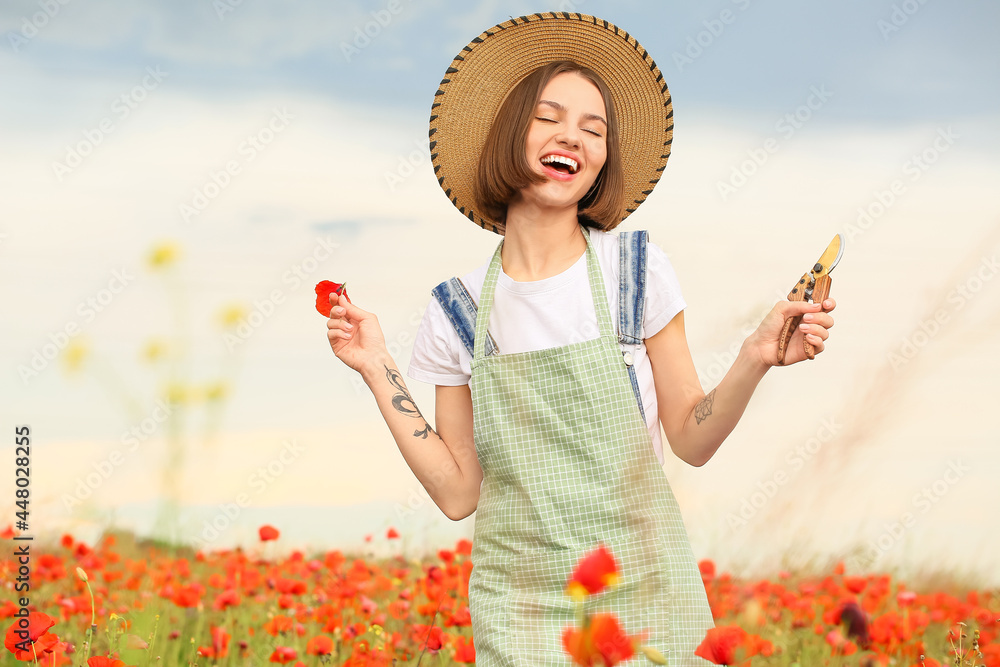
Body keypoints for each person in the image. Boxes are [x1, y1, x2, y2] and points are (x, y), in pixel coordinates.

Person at [325, 13, 836, 666]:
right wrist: (376, 367)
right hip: (520, 608)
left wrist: (756, 357)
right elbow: (458, 492)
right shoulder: (457, 309)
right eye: (549, 117)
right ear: (509, 133)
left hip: (639, 594)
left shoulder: (636, 271)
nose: (573, 137)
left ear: (601, 161)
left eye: (593, 130)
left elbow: (692, 436)